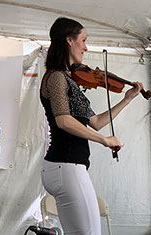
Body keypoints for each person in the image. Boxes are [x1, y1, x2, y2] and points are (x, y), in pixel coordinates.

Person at [40, 17, 143, 235]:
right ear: (69, 40)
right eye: (83, 40)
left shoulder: (68, 79)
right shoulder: (57, 77)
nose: (86, 47)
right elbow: (63, 120)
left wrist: (127, 99)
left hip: (63, 166)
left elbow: (96, 122)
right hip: (66, 165)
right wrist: (105, 141)